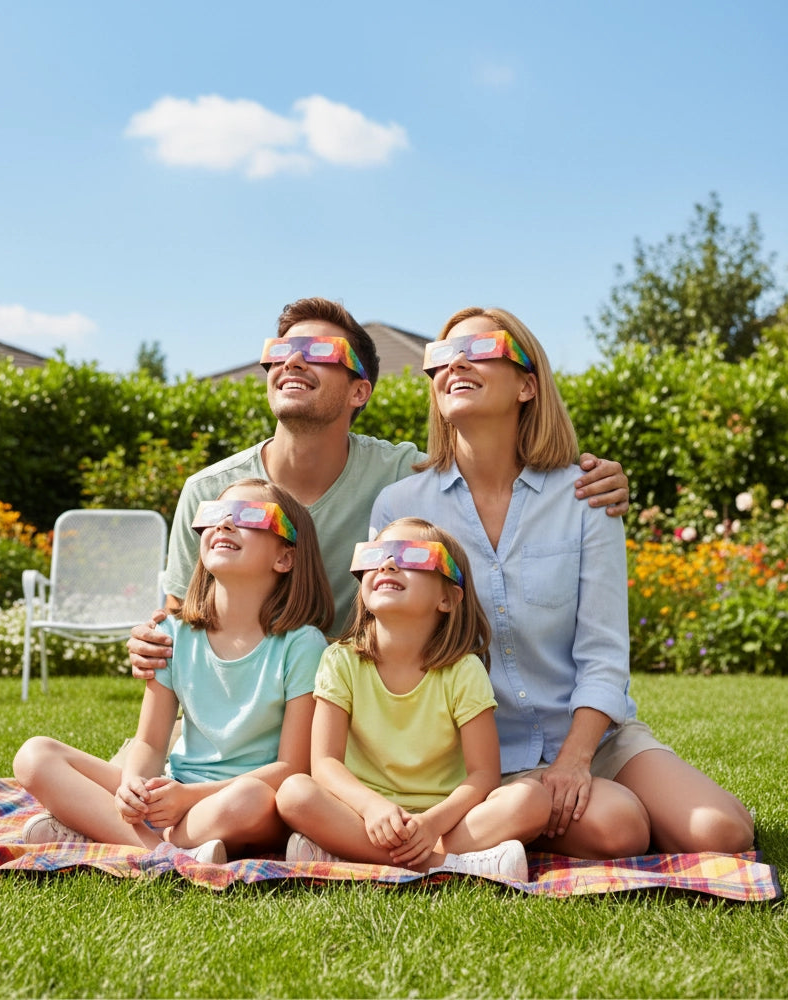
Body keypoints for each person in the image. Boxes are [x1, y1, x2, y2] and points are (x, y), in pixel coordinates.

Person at [371, 306, 755, 857]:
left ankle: (586, 799)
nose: (456, 364)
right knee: (619, 831)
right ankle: (489, 828)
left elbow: (603, 652)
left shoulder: (587, 496)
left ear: (528, 385)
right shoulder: (400, 507)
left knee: (724, 833)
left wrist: (575, 760)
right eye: (441, 359)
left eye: (479, 351)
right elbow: (393, 647)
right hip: (481, 760)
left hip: (594, 737)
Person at [129, 296, 629, 669]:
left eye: (320, 352)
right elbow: (181, 625)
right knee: (126, 781)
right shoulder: (209, 494)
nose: (293, 361)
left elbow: (484, 463)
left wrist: (593, 476)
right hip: (233, 705)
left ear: (360, 390)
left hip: (339, 710)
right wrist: (151, 642)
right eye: (280, 350)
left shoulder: (401, 477)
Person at [13, 478, 333, 861]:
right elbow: (148, 743)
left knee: (244, 801)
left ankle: (105, 831)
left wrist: (190, 798)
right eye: (214, 515)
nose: (225, 525)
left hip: (245, 800)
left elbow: (291, 768)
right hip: (174, 790)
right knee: (35, 756)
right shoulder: (172, 633)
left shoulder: (302, 644)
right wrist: (134, 785)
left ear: (285, 557)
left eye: (249, 517)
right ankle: (167, 852)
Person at [276, 518, 551, 880]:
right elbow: (325, 763)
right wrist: (373, 808)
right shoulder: (340, 660)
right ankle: (448, 865)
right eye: (377, 556)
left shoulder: (463, 670)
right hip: (362, 812)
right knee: (294, 793)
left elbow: (484, 774)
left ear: (448, 597)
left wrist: (432, 824)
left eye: (413, 557)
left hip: (447, 819)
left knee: (531, 799)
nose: (388, 565)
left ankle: (349, 853)